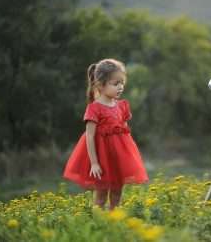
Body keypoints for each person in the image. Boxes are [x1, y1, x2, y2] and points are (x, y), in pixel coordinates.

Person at [63, 58, 148, 210]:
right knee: (101, 194)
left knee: (117, 193)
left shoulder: (121, 106)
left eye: (122, 83)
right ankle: (99, 223)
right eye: (115, 84)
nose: (120, 87)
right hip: (102, 160)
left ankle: (114, 220)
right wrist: (94, 163)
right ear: (101, 85)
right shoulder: (94, 108)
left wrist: (128, 157)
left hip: (118, 159)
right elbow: (89, 136)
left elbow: (125, 133)